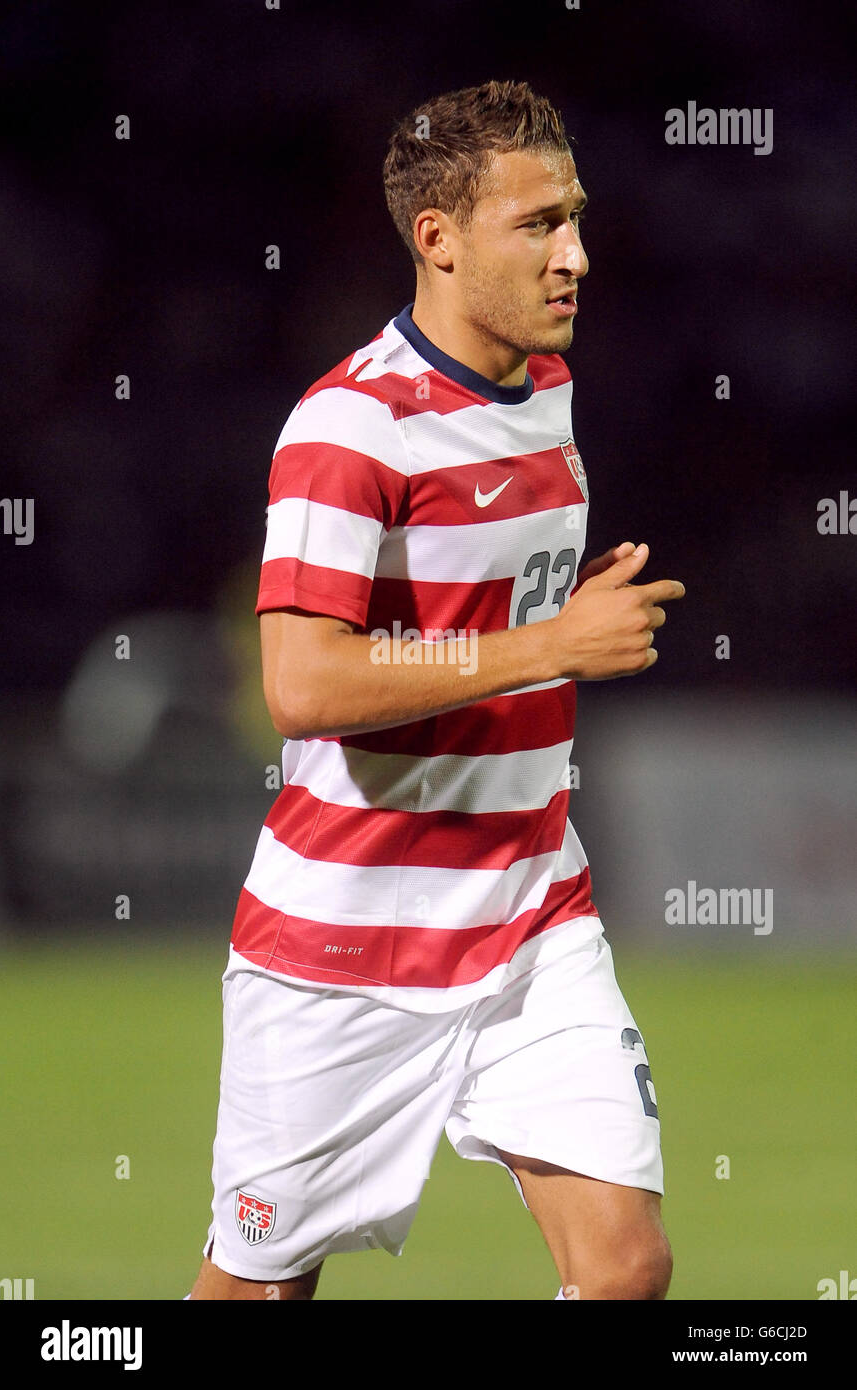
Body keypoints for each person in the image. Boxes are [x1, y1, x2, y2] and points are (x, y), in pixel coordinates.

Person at [189, 78, 685, 1302]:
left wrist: (547, 616)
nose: (574, 253)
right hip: (344, 945)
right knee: (260, 1289)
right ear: (439, 239)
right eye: (537, 225)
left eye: (573, 217)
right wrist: (548, 646)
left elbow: (486, 610)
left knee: (624, 1269)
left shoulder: (547, 388)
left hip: (527, 913)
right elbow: (299, 685)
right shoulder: (347, 430)